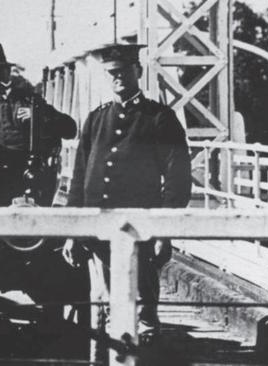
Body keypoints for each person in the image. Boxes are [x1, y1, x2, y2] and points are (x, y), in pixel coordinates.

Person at [62, 43, 192, 341]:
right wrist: (71, 230)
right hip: (97, 233)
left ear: (138, 71)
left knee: (143, 314)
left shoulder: (159, 118)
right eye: (111, 73)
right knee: (102, 310)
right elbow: (79, 178)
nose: (117, 77)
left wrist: (164, 230)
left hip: (140, 232)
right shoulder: (96, 120)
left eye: (123, 71)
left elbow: (178, 179)